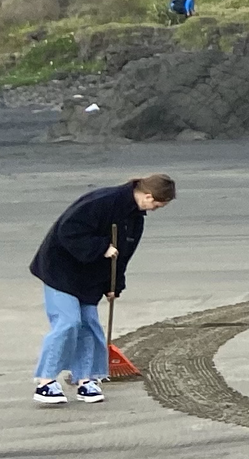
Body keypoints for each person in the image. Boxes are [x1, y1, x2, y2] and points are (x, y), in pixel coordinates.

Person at [30, 174, 174, 406]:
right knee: (68, 323)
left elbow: (123, 256)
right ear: (148, 196)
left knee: (90, 326)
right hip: (60, 271)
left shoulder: (136, 219)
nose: (157, 208)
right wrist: (101, 248)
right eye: (158, 204)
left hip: (91, 277)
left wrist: (114, 285)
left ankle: (86, 379)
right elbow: (68, 231)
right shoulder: (102, 201)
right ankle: (45, 381)